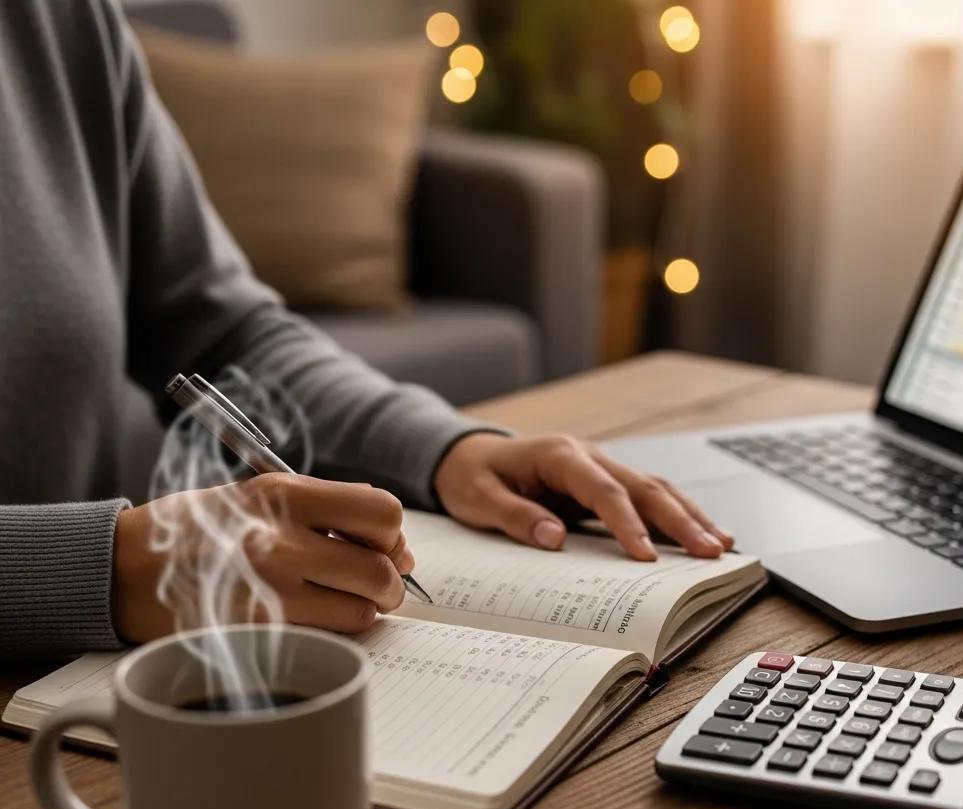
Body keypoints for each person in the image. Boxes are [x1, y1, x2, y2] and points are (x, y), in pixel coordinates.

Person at [0, 0, 732, 655]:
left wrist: (445, 449)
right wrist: (102, 567)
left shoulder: (63, 22)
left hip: (77, 695)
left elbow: (226, 334)